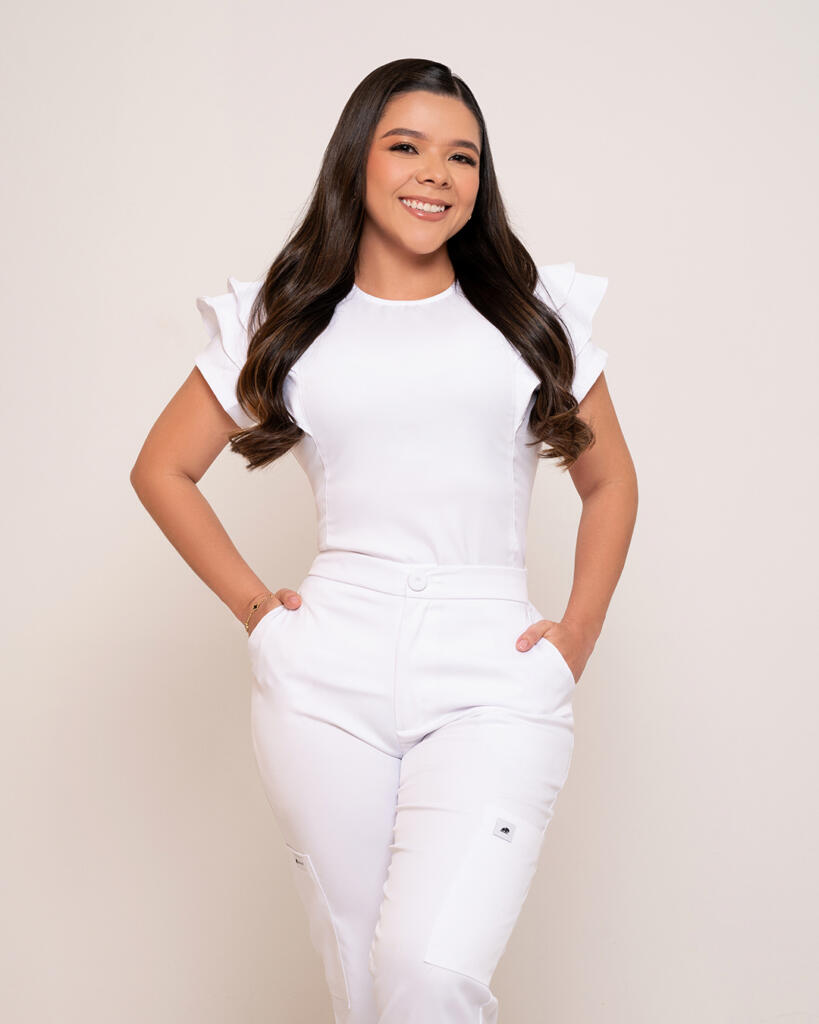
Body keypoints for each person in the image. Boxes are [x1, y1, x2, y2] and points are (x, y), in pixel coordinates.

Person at [130, 57, 638, 1024]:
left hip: (490, 665)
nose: (434, 174)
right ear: (356, 159)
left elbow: (610, 480)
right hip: (327, 670)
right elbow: (162, 468)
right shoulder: (282, 319)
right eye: (406, 147)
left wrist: (575, 634)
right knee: (364, 994)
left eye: (462, 157)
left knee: (428, 974)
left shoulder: (530, 315)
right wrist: (258, 613)